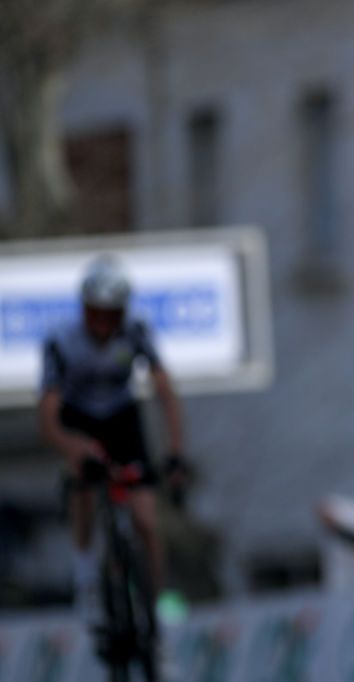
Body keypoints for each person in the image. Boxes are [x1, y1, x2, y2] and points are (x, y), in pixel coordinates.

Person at [38, 254, 187, 630]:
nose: (103, 324)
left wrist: (175, 450)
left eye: (111, 314)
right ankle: (86, 576)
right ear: (84, 309)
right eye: (96, 314)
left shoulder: (135, 332)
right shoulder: (61, 340)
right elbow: (49, 413)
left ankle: (155, 612)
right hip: (79, 420)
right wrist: (71, 446)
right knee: (82, 481)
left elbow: (164, 391)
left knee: (147, 520)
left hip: (122, 419)